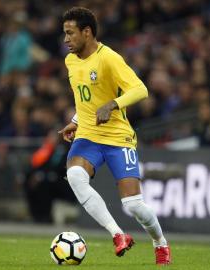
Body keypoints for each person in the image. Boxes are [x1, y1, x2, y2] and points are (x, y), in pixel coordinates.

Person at [58, 7, 171, 265]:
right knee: (75, 176)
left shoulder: (109, 58)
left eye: (70, 33)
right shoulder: (70, 61)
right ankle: (118, 234)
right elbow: (84, 98)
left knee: (133, 206)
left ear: (87, 32)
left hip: (118, 138)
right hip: (87, 135)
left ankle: (160, 242)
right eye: (64, 34)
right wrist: (75, 121)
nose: (65, 40)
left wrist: (113, 104)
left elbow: (140, 89)